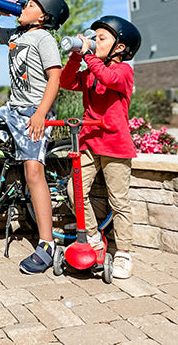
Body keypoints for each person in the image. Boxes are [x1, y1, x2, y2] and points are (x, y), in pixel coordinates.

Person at [0, 0, 70, 274]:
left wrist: (40, 114)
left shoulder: (44, 38)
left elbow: (55, 77)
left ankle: (47, 244)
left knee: (33, 173)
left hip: (34, 111)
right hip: (11, 109)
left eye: (30, 5)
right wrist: (1, 10)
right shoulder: (17, 35)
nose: (24, 7)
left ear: (44, 16)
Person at [60, 15, 141, 279]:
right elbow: (66, 81)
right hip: (89, 142)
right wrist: (75, 56)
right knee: (74, 190)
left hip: (116, 145)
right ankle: (93, 238)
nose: (94, 41)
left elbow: (108, 78)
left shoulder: (123, 71)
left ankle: (125, 253)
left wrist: (88, 56)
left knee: (119, 202)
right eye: (92, 37)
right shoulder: (90, 71)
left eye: (101, 38)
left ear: (119, 48)